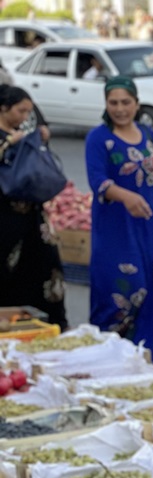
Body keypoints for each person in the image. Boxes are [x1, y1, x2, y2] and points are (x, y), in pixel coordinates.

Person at [85, 76, 153, 363]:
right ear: (105, 104)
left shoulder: (147, 134)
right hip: (114, 232)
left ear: (136, 104)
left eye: (126, 102)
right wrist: (126, 196)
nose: (120, 109)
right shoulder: (98, 138)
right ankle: (107, 362)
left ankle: (145, 363)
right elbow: (98, 181)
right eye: (113, 103)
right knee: (120, 290)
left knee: (151, 295)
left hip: (148, 230)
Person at [0, 86, 68, 329]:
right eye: (21, 111)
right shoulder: (9, 137)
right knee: (6, 267)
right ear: (4, 108)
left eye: (28, 112)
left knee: (46, 261)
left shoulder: (22, 133)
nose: (25, 117)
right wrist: (9, 143)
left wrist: (41, 141)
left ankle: (54, 320)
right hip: (5, 216)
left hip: (32, 215)